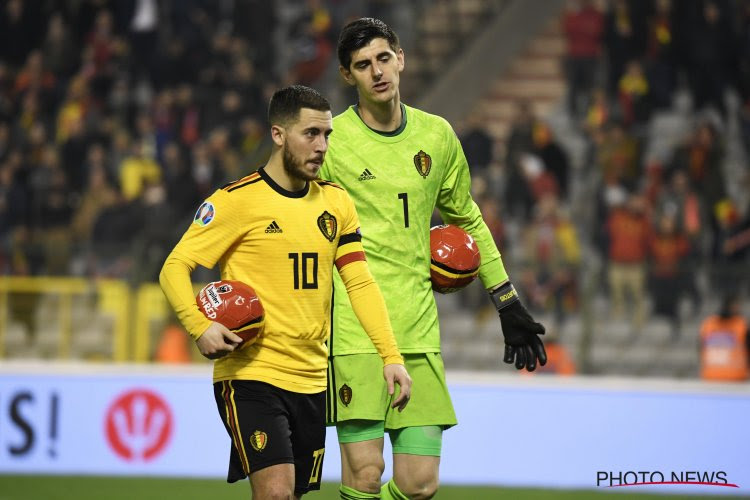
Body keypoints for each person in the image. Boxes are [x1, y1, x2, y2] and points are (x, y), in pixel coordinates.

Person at [320, 18, 547, 500]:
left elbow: (467, 219)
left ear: (400, 58)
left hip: (419, 329)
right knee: (363, 475)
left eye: (383, 58)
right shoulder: (331, 142)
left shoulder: (438, 136)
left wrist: (506, 300)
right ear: (348, 76)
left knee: (420, 485)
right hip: (355, 330)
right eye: (363, 65)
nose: (377, 71)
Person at [159, 85, 412, 499]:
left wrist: (391, 356)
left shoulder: (337, 203)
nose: (322, 146)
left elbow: (360, 282)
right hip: (251, 375)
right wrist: (199, 326)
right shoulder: (236, 201)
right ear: (278, 135)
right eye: (311, 134)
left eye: (327, 135)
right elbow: (175, 266)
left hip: (312, 379)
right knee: (276, 493)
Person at [699, 294, 749, 382]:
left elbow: (700, 348)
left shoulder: (708, 324)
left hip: (711, 376)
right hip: (736, 377)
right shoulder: (741, 325)